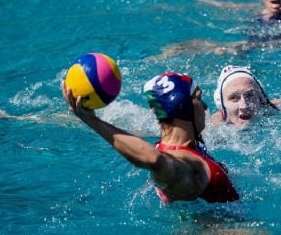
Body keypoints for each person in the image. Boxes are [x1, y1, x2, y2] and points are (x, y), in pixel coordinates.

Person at [62, 72, 239, 203]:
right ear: (182, 105)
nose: (206, 106)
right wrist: (93, 121)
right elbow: (154, 160)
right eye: (199, 99)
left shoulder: (176, 147)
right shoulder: (180, 163)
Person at [210, 65, 280, 127]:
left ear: (260, 98)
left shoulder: (269, 108)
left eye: (249, 95)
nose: (244, 106)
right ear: (222, 105)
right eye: (233, 98)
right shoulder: (215, 125)